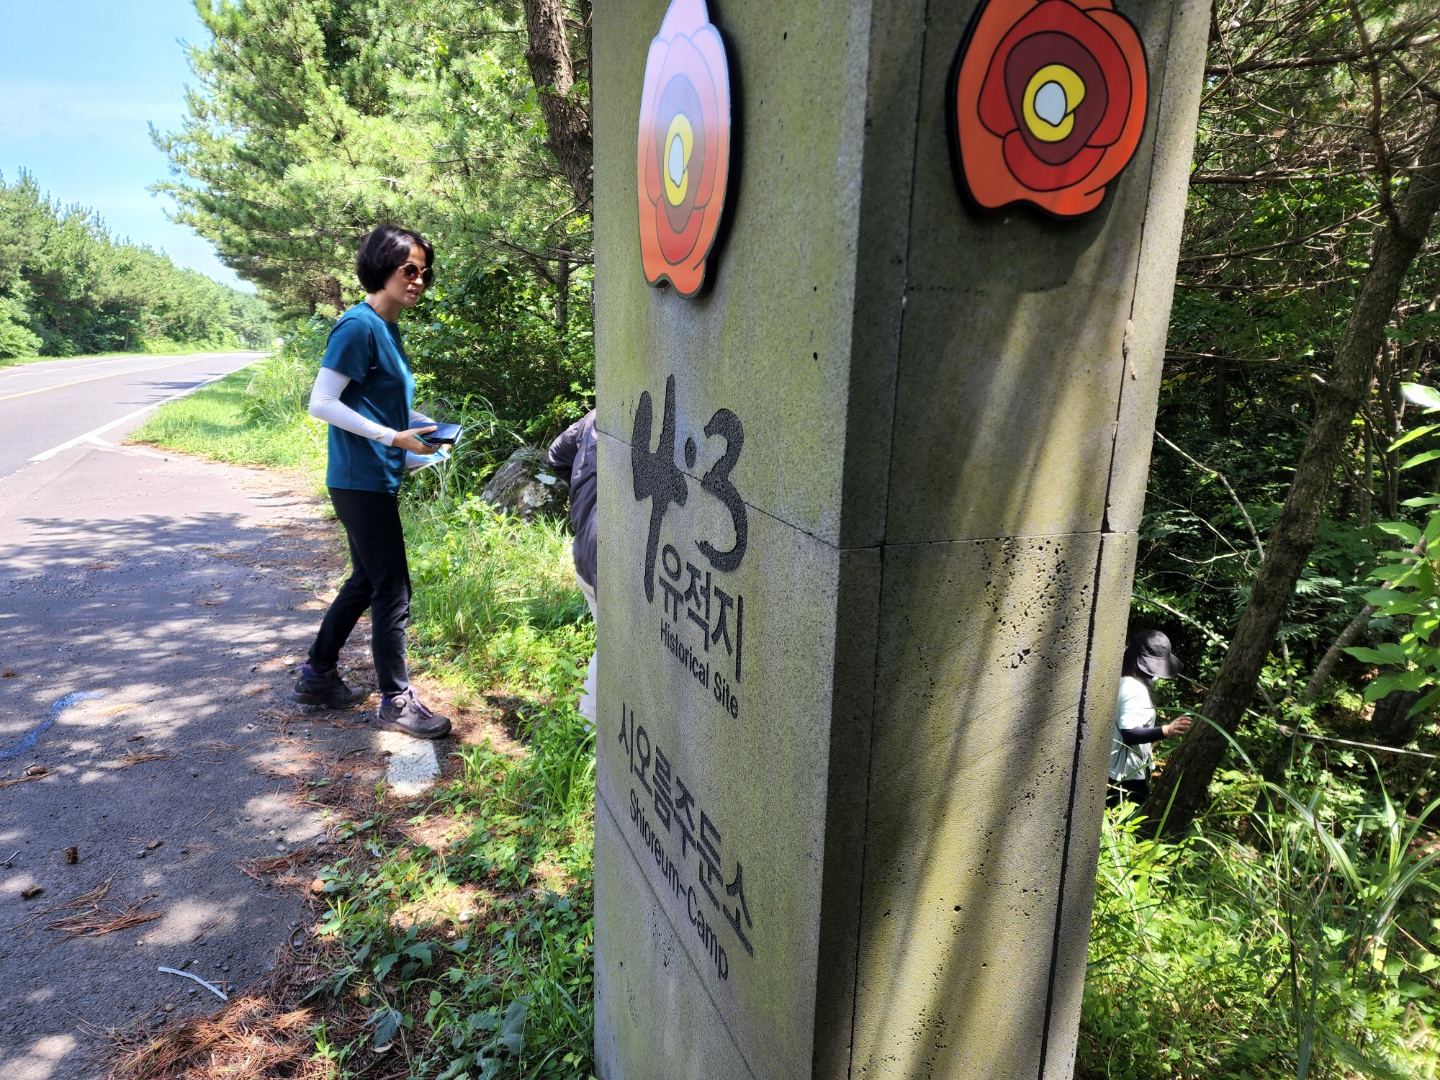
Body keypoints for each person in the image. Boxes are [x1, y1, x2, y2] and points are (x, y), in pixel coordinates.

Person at [290, 224, 451, 740]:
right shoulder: (358, 326)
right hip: (359, 480)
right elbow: (322, 403)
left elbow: (379, 407)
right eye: (409, 269)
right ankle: (396, 701)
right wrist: (392, 437)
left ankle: (317, 675)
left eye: (425, 272)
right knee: (392, 588)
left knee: (365, 580)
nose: (418, 279)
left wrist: (421, 436)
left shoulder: (388, 326)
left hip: (373, 476)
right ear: (381, 267)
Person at [546, 410, 597, 727]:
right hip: (607, 557)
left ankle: (589, 727)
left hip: (583, 551)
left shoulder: (592, 419)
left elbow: (556, 455)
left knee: (609, 642)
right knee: (616, 647)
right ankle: (589, 728)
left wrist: (581, 487)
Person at [1107, 629, 1191, 808]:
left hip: (1111, 770)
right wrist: (1166, 730)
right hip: (1126, 777)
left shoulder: (1119, 680)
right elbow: (1129, 733)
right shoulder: (1134, 689)